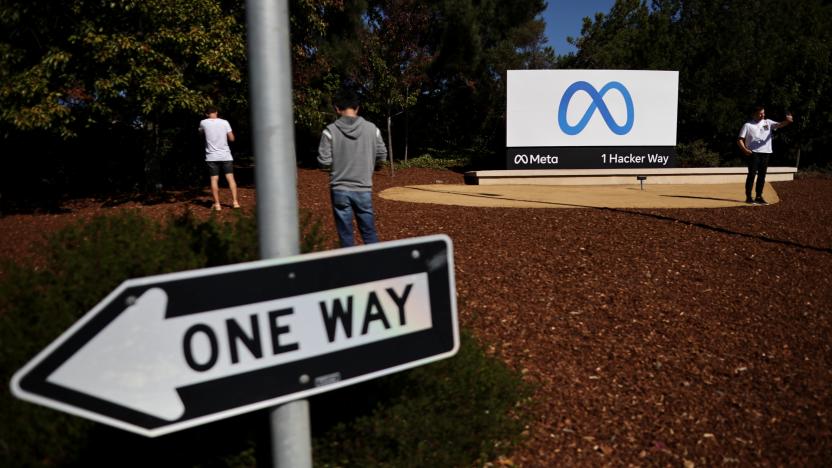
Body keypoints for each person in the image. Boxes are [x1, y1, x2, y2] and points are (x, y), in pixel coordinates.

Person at [317, 89, 388, 247]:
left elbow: (324, 161)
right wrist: (375, 166)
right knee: (369, 233)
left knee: (345, 236)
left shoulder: (329, 131)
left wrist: (336, 168)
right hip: (363, 188)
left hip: (340, 189)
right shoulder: (372, 129)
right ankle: (377, 268)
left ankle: (350, 269)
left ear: (336, 108)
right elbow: (382, 154)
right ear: (357, 107)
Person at [737, 105, 793, 205]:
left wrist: (788, 121)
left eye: (763, 113)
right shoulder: (748, 125)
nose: (763, 115)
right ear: (754, 114)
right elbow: (740, 139)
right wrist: (745, 150)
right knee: (752, 175)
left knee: (762, 176)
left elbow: (780, 125)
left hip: (766, 153)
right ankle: (749, 197)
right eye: (760, 113)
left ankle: (759, 196)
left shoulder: (768, 122)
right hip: (753, 153)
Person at [199, 105, 240, 211]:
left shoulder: (203, 122)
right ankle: (235, 203)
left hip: (211, 156)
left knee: (214, 179)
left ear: (206, 114)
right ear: (216, 112)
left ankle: (217, 205)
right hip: (226, 155)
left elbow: (200, 133)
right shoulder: (225, 122)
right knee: (230, 178)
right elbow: (232, 139)